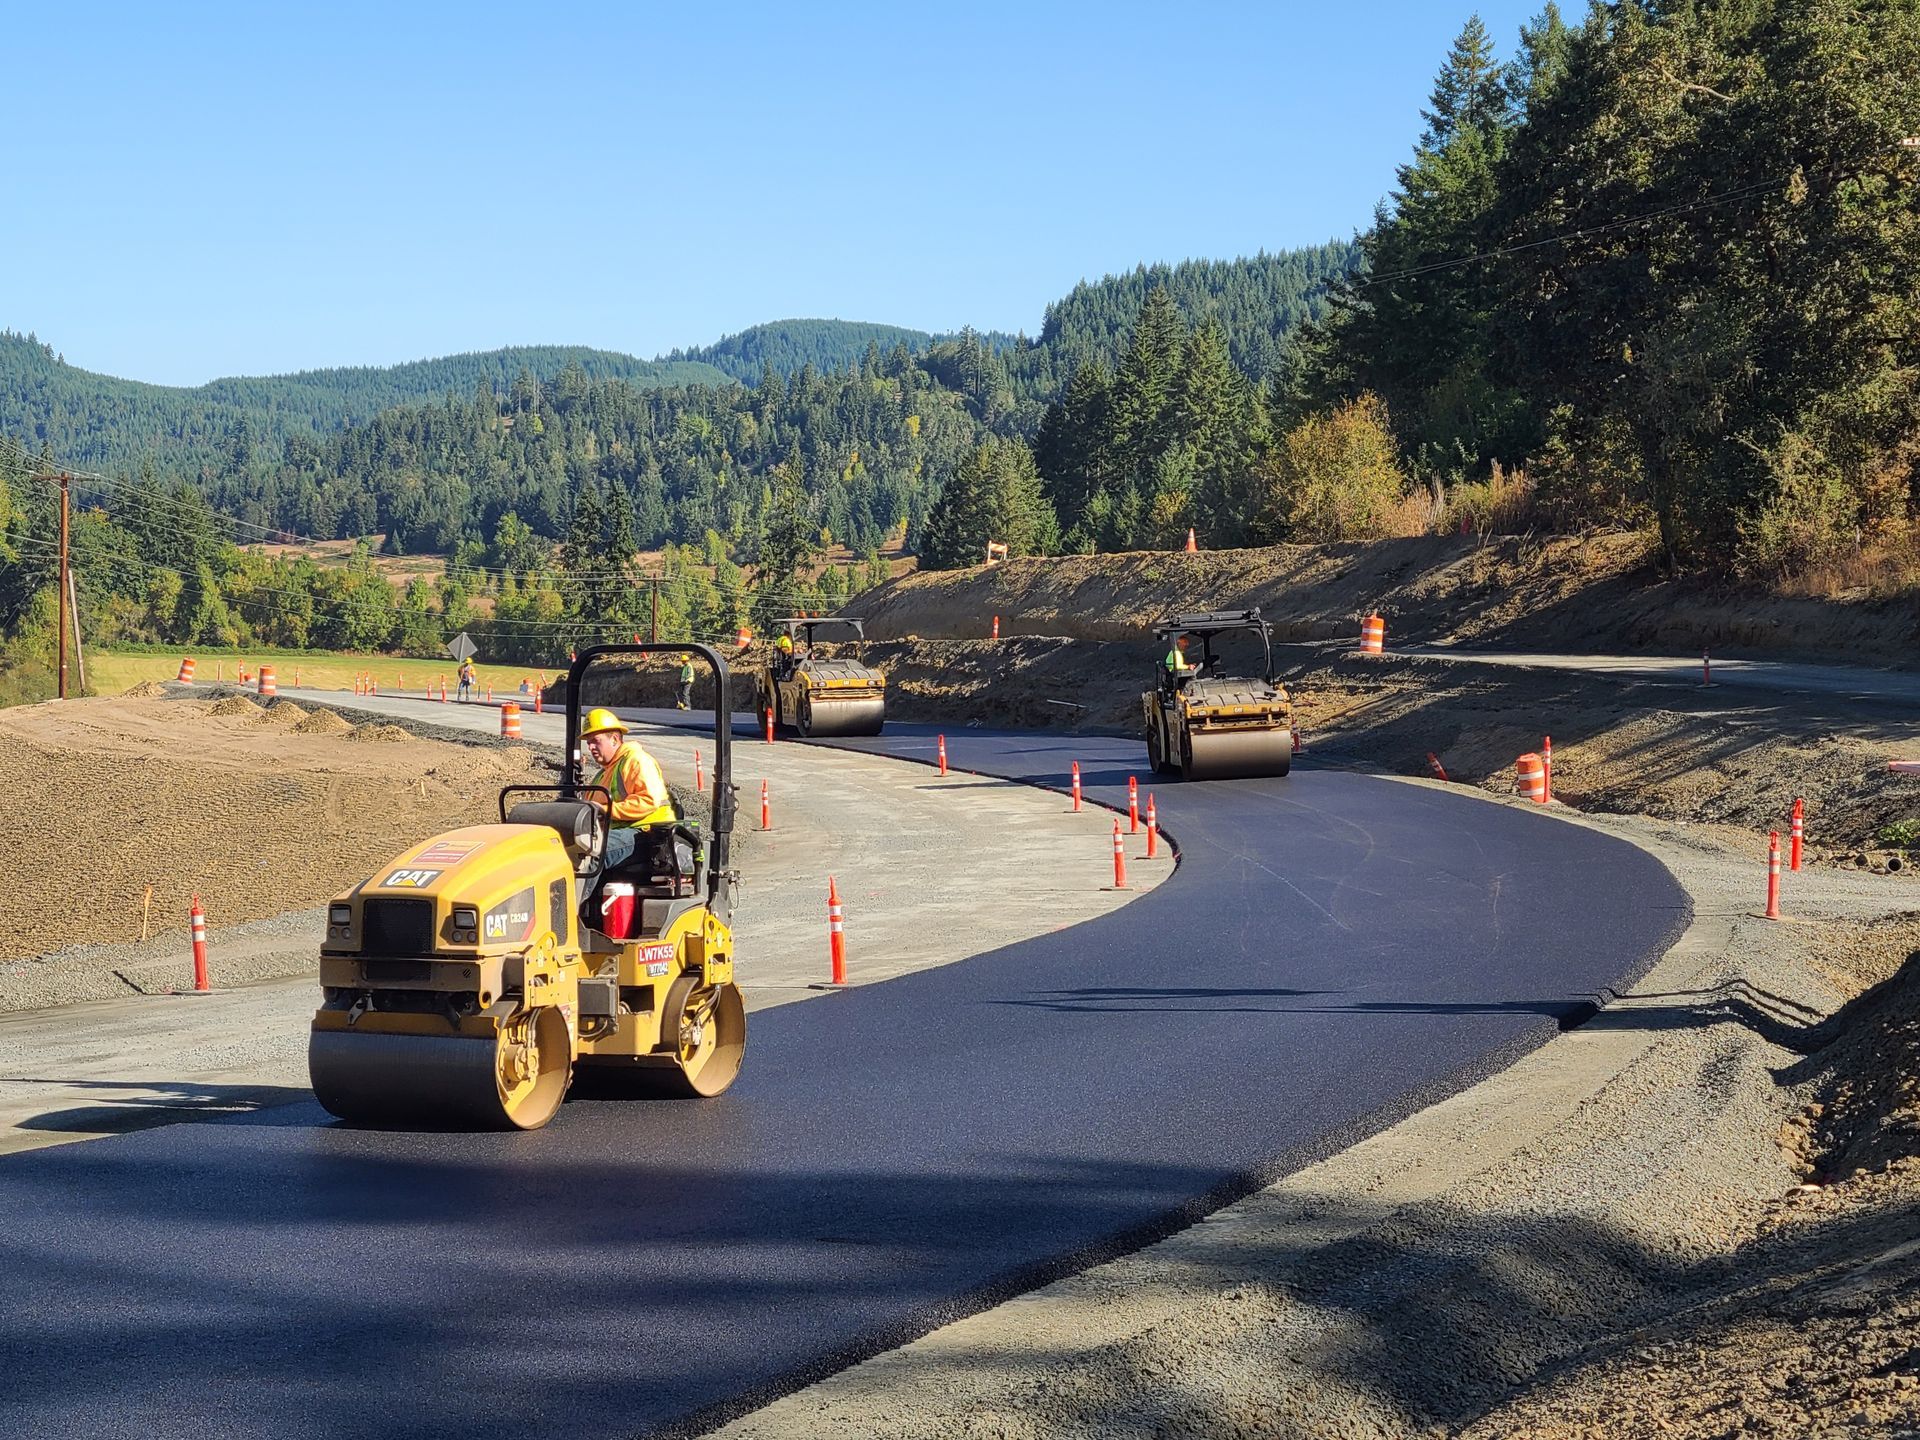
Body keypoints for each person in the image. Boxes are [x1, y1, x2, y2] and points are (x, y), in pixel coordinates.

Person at [580, 708, 677, 878]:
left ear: (615, 739)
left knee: (590, 855)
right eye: (588, 743)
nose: (591, 747)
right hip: (621, 833)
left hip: (647, 834)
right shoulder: (602, 774)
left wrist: (605, 809)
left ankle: (575, 904)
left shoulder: (636, 760)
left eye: (595, 741)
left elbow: (648, 800)